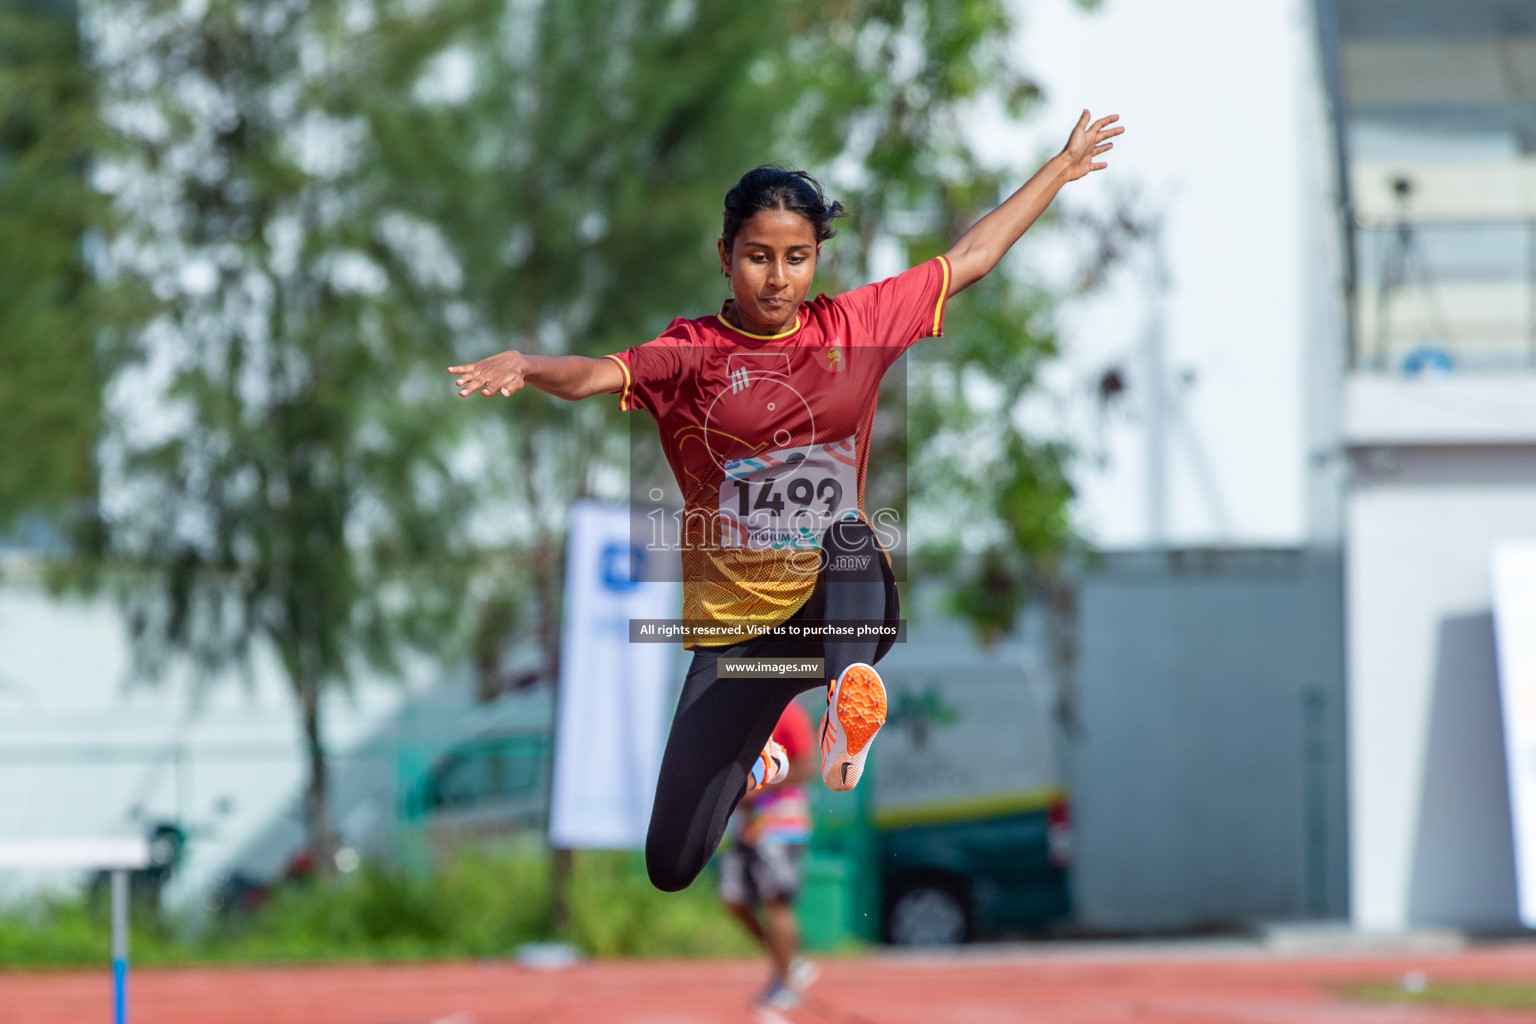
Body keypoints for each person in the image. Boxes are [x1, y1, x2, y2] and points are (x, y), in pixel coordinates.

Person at [448, 110, 1123, 896]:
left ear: (815, 261)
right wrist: (530, 364)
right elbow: (596, 374)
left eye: (796, 260)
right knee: (672, 864)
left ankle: (843, 714)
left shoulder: (857, 327)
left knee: (844, 528)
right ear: (725, 256)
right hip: (741, 646)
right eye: (758, 258)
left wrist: (1057, 169)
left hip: (837, 613)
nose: (777, 279)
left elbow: (972, 256)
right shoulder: (690, 355)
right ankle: (761, 750)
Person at [719, 699, 818, 1010]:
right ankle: (789, 959)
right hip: (748, 825)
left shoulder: (788, 711)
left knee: (775, 902)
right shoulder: (743, 712)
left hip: (780, 821)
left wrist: (757, 790)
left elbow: (806, 766)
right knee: (733, 898)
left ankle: (787, 983)